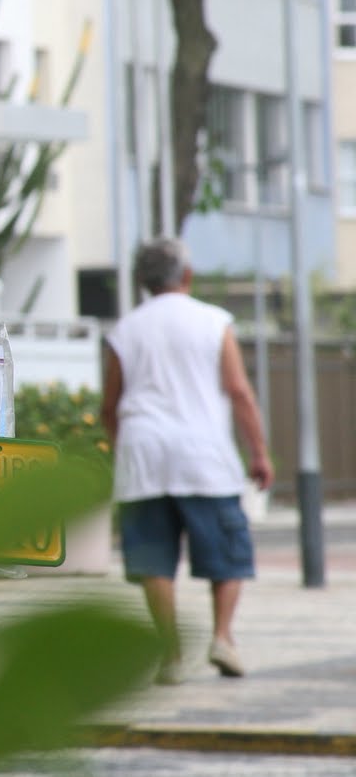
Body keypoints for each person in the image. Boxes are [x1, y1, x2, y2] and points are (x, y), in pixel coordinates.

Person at [102, 237, 273, 685]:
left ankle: (172, 654)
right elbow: (239, 391)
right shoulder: (215, 322)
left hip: (144, 453)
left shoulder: (125, 329)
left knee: (152, 559)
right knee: (227, 552)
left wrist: (126, 449)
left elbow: (110, 405)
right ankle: (222, 638)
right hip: (204, 455)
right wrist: (259, 452)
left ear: (142, 282)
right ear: (188, 276)